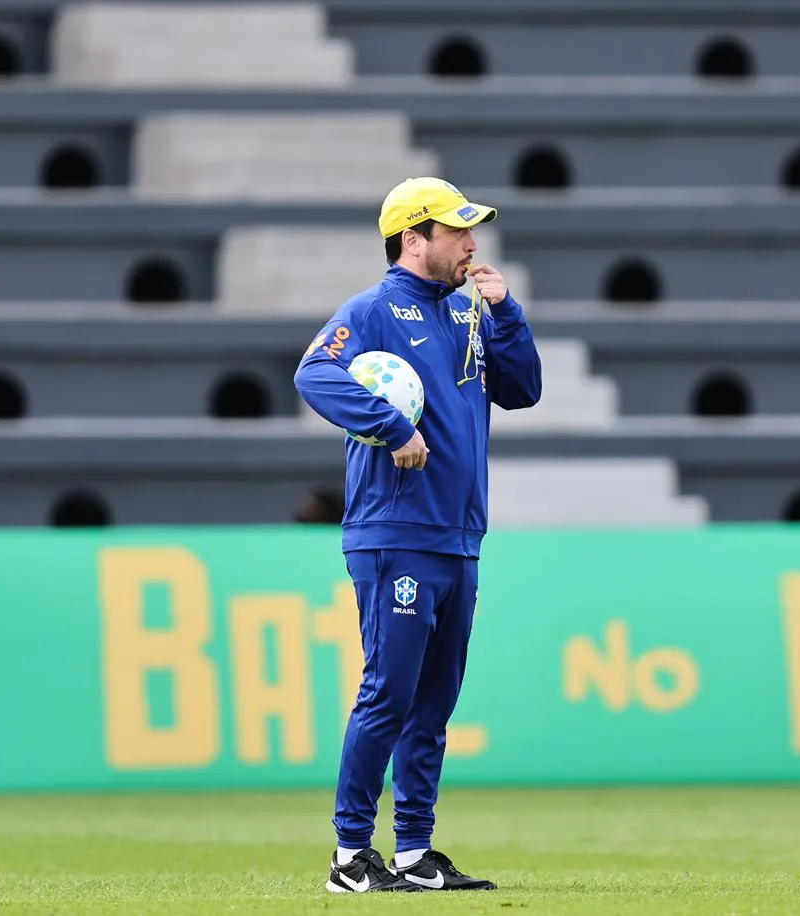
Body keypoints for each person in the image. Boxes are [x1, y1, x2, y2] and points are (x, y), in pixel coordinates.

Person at [294, 177, 542, 893]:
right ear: (414, 238)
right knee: (389, 694)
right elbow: (314, 374)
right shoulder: (372, 310)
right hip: (393, 531)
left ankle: (413, 853)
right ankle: (349, 857)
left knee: (434, 703)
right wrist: (391, 425)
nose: (472, 242)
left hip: (457, 535)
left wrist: (506, 311)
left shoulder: (467, 312)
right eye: (456, 230)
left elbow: (522, 390)